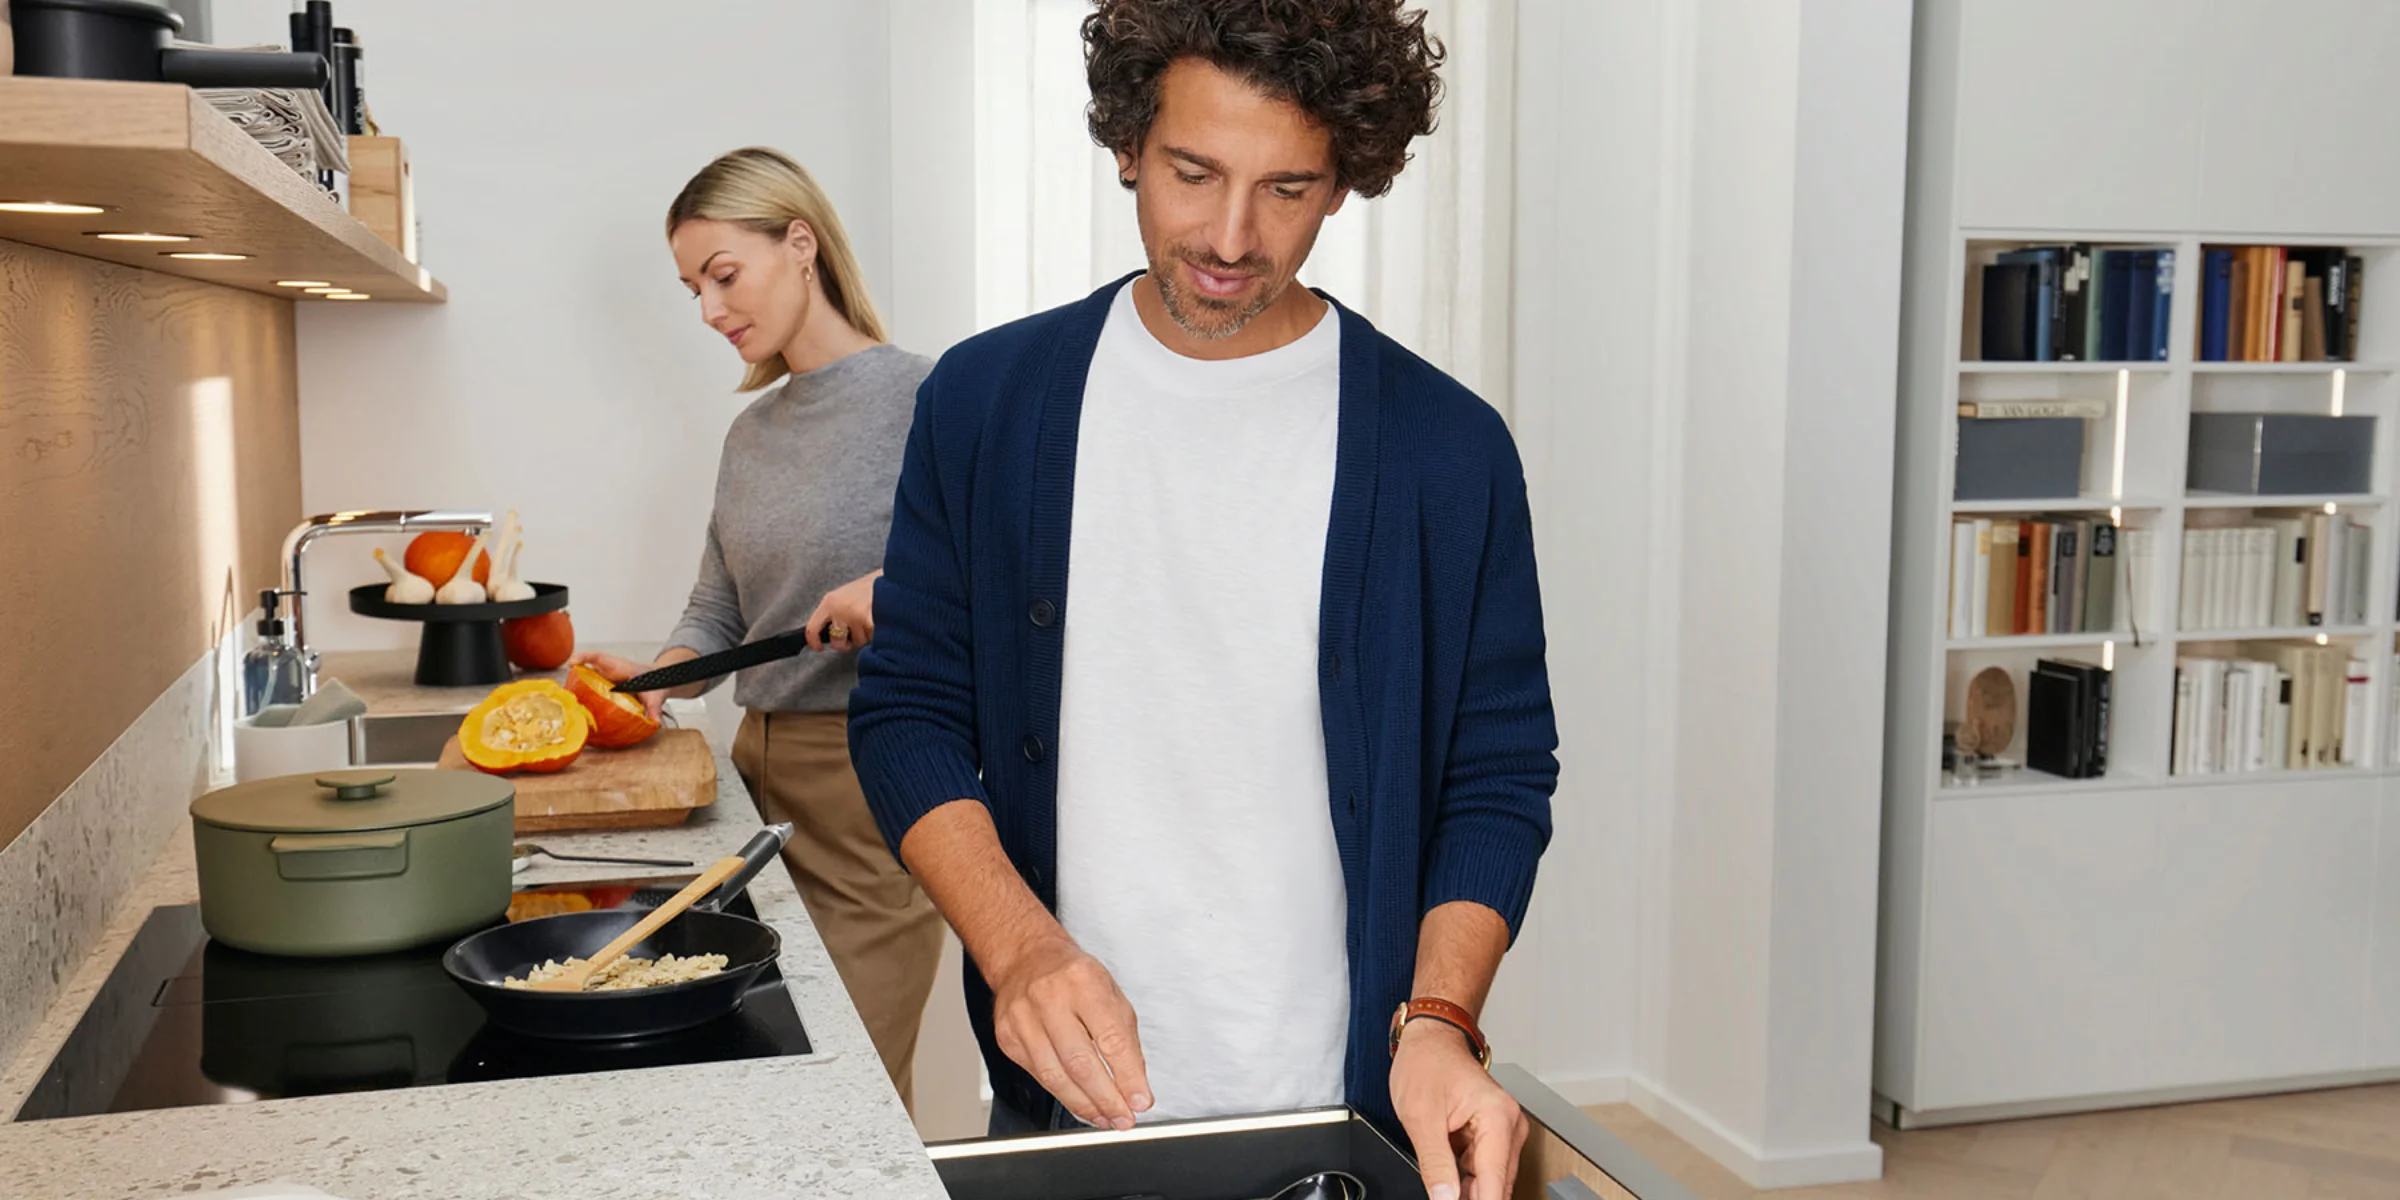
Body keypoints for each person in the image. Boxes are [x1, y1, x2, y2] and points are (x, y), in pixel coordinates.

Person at [848, 3, 1557, 1198]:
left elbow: (1496, 772)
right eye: (1192, 172)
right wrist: (1017, 952)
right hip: (1074, 1101)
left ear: (1344, 181)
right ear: (1129, 140)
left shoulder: (1449, 448)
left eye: (1288, 187)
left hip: (1349, 1106)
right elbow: (909, 711)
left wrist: (1436, 1019)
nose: (1231, 235)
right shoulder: (986, 403)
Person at [571, 146, 946, 1114]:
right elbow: (719, 609)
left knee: (850, 1099)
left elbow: (1011, 576)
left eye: (723, 275)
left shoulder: (933, 399)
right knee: (761, 1087)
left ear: (801, 244)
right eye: (693, 287)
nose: (707, 309)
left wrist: (897, 586)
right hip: (750, 783)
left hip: (875, 788)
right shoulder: (753, 432)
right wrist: (660, 678)